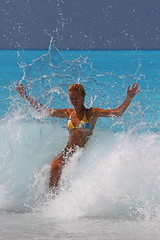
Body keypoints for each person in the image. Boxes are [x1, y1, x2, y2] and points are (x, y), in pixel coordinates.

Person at [15, 82, 140, 188]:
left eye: (76, 98)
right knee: (53, 169)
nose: (74, 101)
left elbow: (117, 112)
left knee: (69, 178)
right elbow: (43, 111)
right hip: (67, 152)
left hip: (81, 154)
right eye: (71, 98)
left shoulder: (92, 113)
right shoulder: (68, 113)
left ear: (83, 96)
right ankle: (51, 205)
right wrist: (26, 96)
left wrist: (128, 98)